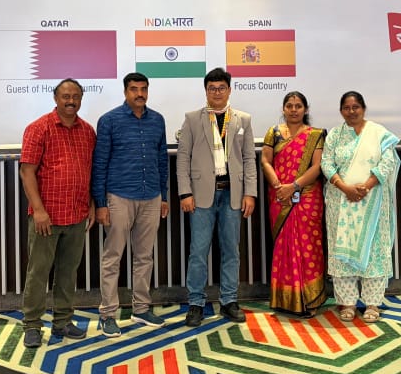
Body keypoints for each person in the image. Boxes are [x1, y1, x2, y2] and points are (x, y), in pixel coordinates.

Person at [176, 67, 257, 326]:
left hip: (233, 194)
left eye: (222, 88)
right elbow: (183, 158)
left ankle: (229, 301)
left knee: (231, 250)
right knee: (198, 251)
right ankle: (196, 303)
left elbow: (249, 159)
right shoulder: (192, 119)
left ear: (229, 90)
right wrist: (185, 192)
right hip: (200, 196)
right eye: (212, 88)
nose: (217, 92)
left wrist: (250, 193)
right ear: (206, 91)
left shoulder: (243, 119)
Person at [20, 78, 97, 348]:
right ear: (55, 98)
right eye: (65, 96)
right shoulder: (38, 128)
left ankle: (63, 321)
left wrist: (91, 204)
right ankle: (32, 325)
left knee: (67, 273)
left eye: (75, 96)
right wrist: (39, 211)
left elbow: (89, 171)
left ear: (81, 99)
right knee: (38, 273)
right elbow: (26, 172)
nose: (71, 101)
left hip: (76, 215)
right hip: (47, 217)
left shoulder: (88, 131)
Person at [92, 72, 169, 337]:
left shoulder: (158, 120)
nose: (140, 94)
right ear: (125, 92)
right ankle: (107, 314)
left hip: (151, 196)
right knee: (112, 256)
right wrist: (100, 203)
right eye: (134, 89)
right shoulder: (109, 120)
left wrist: (164, 196)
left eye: (144, 89)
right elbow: (100, 163)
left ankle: (141, 309)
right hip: (118, 196)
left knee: (145, 256)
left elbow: (162, 160)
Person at [320, 91, 400, 323]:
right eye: (346, 108)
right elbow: (326, 163)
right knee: (342, 251)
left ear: (363, 108)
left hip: (373, 201)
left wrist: (367, 185)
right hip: (341, 201)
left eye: (355, 107)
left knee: (374, 252)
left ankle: (373, 304)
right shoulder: (335, 135)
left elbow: (388, 161)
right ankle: (347, 303)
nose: (351, 111)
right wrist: (345, 187)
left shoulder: (378, 133)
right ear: (341, 111)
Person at [260, 91, 326, 317]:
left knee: (309, 246)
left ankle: (311, 299)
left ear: (306, 109)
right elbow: (266, 161)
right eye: (289, 105)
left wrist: (294, 186)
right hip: (280, 195)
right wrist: (279, 186)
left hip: (307, 197)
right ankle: (284, 299)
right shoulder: (274, 132)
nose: (294, 110)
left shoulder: (315, 135)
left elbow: (317, 166)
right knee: (284, 246)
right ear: (283, 109)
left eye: (298, 106)